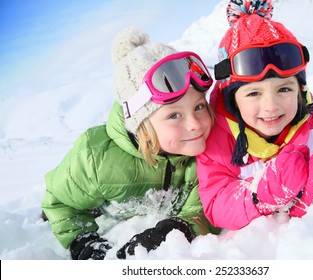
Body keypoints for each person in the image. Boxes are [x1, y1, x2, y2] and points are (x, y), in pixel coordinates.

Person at [41, 26, 220, 260]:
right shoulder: (97, 158)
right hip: (96, 198)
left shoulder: (206, 152)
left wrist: (180, 227)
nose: (195, 124)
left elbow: (204, 208)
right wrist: (82, 240)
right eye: (174, 115)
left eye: (198, 106)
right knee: (73, 199)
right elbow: (58, 202)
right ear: (142, 124)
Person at [196, 0, 313, 231]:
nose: (271, 106)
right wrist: (263, 193)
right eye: (254, 93)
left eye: (284, 89)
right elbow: (217, 204)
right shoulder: (217, 144)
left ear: (300, 90)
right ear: (232, 100)